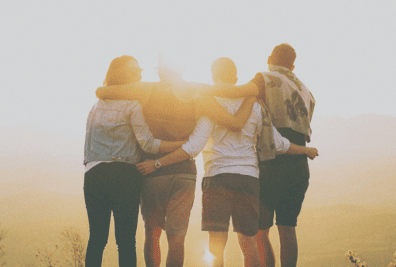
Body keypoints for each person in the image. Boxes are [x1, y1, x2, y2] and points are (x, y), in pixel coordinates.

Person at [136, 57, 318, 267]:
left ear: (213, 76)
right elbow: (277, 143)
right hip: (248, 180)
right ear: (236, 78)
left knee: (216, 246)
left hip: (217, 179)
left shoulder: (209, 105)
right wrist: (305, 150)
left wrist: (158, 163)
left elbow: (193, 147)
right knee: (249, 243)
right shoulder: (256, 106)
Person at [95, 57, 256, 267]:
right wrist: (254, 90)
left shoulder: (145, 89)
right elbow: (234, 113)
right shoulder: (197, 91)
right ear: (182, 68)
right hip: (184, 173)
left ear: (160, 70)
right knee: (177, 238)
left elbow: (102, 92)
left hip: (152, 172)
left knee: (152, 233)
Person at [204, 44, 316, 267]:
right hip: (298, 163)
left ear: (269, 59)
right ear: (292, 66)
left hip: (270, 163)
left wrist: (198, 90)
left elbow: (236, 92)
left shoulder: (264, 78)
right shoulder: (306, 91)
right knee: (287, 227)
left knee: (259, 232)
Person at [83, 55, 186, 267]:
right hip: (125, 175)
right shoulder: (133, 105)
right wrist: (181, 145)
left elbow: (88, 145)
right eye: (135, 71)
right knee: (126, 241)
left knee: (97, 239)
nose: (140, 73)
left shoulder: (96, 106)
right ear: (123, 75)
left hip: (94, 175)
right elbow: (148, 144)